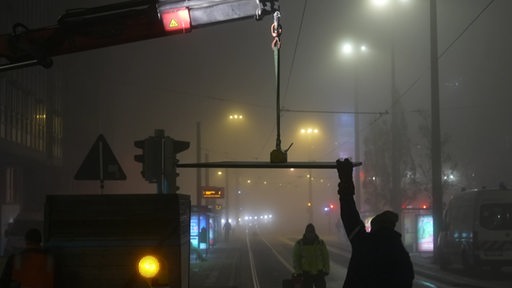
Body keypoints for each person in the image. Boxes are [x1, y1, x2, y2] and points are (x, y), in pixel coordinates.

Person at [336, 158, 414, 288]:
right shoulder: (401, 253)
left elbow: (349, 214)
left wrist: (346, 181)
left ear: (375, 227)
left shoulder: (364, 243)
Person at [292, 223, 330, 288]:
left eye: (312, 232)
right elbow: (296, 259)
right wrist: (298, 272)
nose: (310, 234)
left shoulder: (320, 243)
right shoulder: (300, 244)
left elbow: (325, 257)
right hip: (306, 273)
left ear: (314, 232)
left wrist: (326, 270)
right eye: (309, 232)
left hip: (319, 272)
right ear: (306, 232)